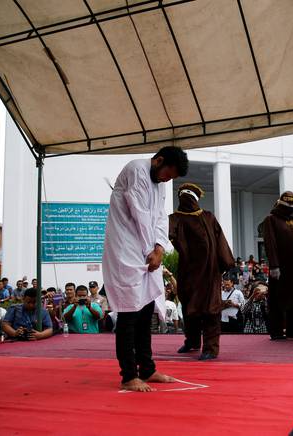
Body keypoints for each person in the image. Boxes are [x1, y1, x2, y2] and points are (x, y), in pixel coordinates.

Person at [102, 145, 188, 392]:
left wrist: (159, 248)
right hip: (127, 250)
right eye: (166, 175)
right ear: (158, 160)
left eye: (170, 179)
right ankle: (129, 375)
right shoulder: (137, 169)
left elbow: (160, 217)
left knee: (147, 309)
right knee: (129, 314)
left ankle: (147, 369)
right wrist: (154, 252)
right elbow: (140, 215)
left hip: (149, 251)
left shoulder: (159, 182)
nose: (165, 180)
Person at [169, 182, 235, 360]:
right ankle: (192, 341)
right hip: (188, 271)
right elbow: (167, 234)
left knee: (210, 310)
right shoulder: (174, 218)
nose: (187, 198)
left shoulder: (208, 216)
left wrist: (226, 265)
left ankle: (210, 348)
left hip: (209, 271)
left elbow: (220, 239)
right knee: (189, 307)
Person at [262, 191, 293, 340]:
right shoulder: (271, 219)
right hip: (279, 267)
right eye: (289, 205)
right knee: (277, 299)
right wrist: (274, 265)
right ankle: (276, 331)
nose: (291, 207)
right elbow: (270, 244)